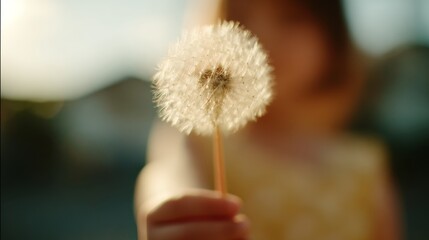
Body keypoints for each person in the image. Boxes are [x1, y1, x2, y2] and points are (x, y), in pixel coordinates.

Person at [135, 0, 401, 239]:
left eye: (290, 16)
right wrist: (175, 212)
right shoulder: (196, 138)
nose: (262, 33)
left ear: (331, 34)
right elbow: (166, 177)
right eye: (239, 19)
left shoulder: (366, 171)